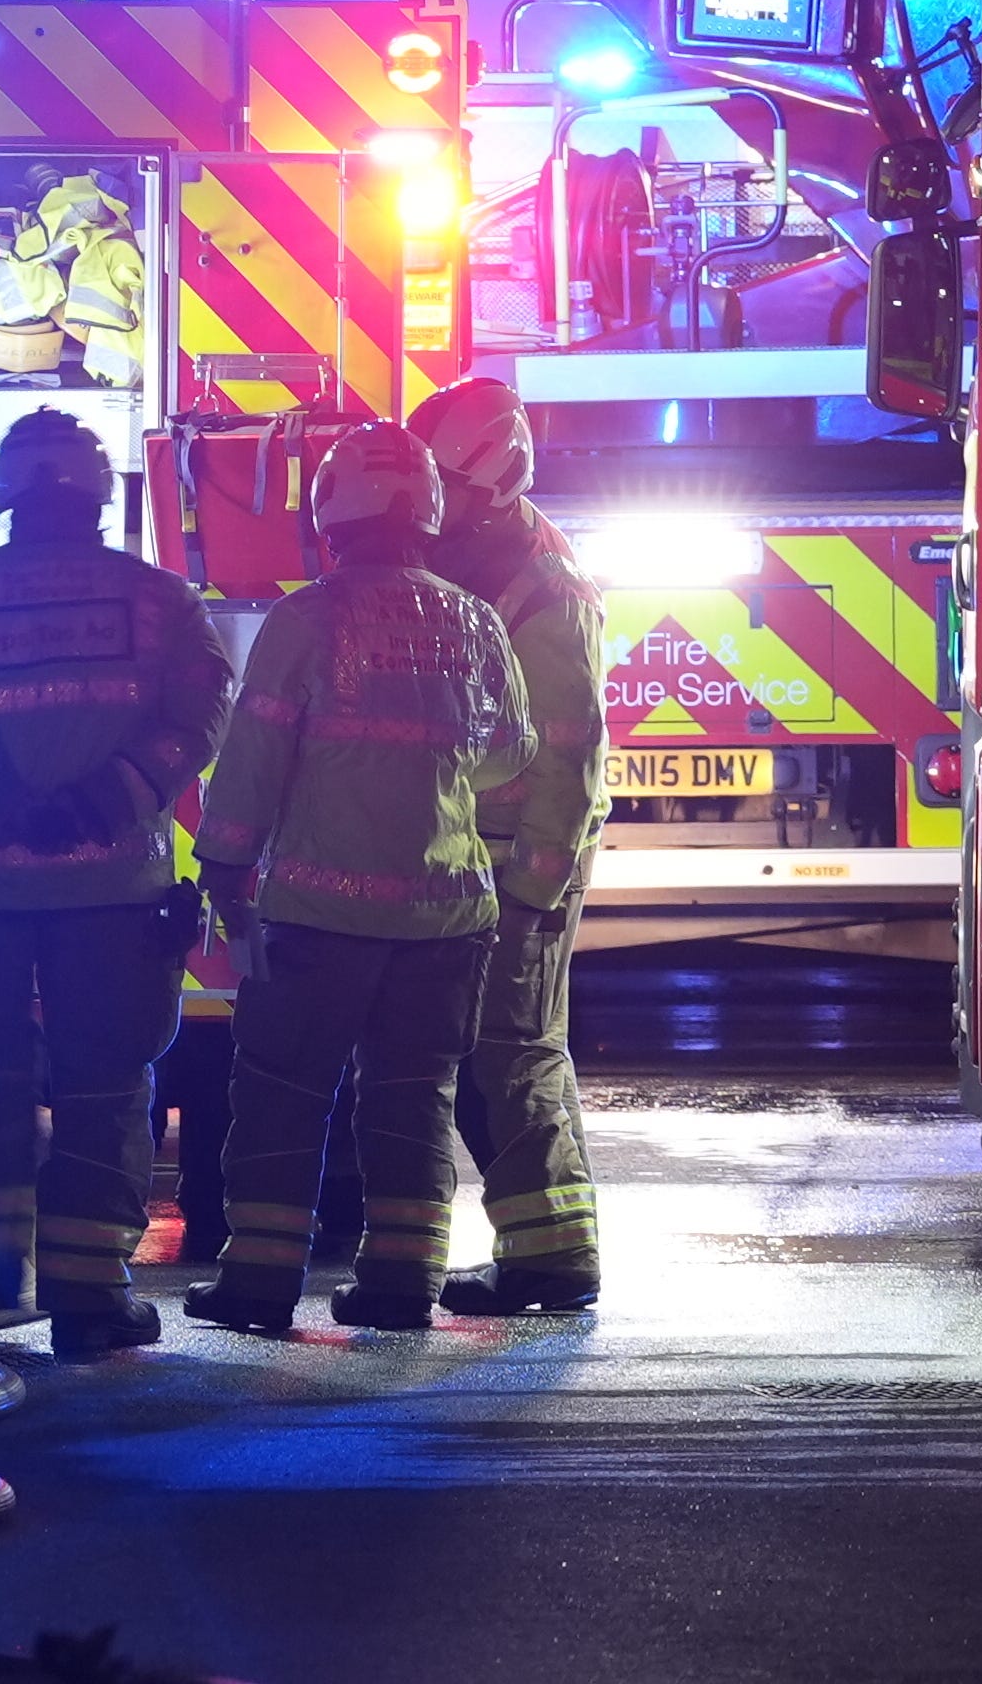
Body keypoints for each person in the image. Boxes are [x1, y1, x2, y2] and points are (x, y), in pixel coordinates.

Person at [0, 410, 235, 1357]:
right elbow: (202, 710)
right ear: (100, 492)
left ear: (6, 493)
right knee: (106, 1087)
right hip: (115, 885)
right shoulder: (159, 601)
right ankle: (87, 1296)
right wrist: (112, 798)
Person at [181, 423, 530, 1336]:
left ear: (329, 511)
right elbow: (506, 759)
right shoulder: (476, 620)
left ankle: (258, 1287)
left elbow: (253, 758)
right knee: (415, 1103)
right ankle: (401, 1288)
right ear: (430, 511)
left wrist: (222, 863)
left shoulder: (307, 619)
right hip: (449, 920)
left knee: (283, 1099)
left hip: (317, 921)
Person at [406, 376, 610, 1315]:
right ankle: (543, 1251)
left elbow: (568, 761)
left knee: (512, 1049)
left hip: (520, 861)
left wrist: (531, 893)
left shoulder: (543, 590)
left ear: (488, 483)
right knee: (502, 1051)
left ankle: (553, 1259)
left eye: (442, 487)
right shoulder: (487, 562)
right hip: (471, 855)